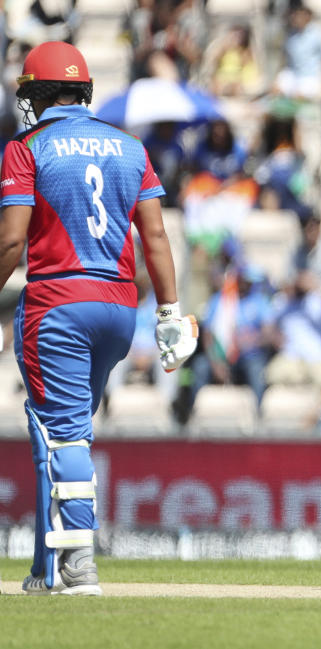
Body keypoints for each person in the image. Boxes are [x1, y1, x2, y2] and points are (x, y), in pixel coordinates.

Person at [0, 41, 197, 595]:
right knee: (56, 431)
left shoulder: (27, 146)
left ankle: (79, 565)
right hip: (117, 310)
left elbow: (12, 240)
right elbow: (155, 235)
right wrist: (168, 311)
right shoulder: (129, 145)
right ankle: (45, 567)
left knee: (62, 435)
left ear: (37, 94)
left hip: (57, 304)